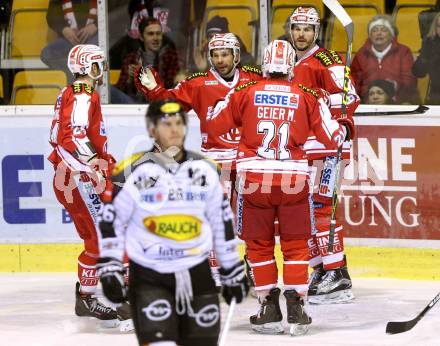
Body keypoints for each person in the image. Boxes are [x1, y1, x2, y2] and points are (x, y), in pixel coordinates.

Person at [206, 39, 352, 335]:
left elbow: (214, 126)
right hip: (293, 181)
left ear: (264, 64)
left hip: (253, 181)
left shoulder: (244, 92)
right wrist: (345, 123)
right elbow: (332, 139)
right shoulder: (306, 96)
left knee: (259, 246)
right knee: (296, 245)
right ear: (290, 68)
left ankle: (268, 309)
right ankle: (297, 307)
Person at [96, 98, 249, 346]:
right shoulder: (132, 171)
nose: (174, 129)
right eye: (167, 124)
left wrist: (231, 270)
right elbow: (111, 222)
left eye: (179, 123)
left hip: (197, 274)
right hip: (149, 276)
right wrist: (110, 267)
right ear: (152, 130)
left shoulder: (206, 169)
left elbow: (222, 223)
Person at [47, 44, 131, 327]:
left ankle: (87, 298)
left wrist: (104, 163)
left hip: (74, 177)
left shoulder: (71, 92)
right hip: (79, 179)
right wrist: (95, 162)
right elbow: (75, 135)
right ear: (89, 67)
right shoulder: (84, 94)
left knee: (100, 239)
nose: (103, 69)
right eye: (99, 64)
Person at [289, 7, 359, 304]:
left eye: (306, 29)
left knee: (321, 208)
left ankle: (338, 273)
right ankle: (320, 269)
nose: (301, 34)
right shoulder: (286, 60)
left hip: (327, 149)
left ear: (316, 31)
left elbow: (349, 97)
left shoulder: (327, 61)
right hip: (298, 150)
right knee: (303, 212)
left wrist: (340, 122)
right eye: (296, 28)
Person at [351, 14, 418, 104]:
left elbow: (409, 81)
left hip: (397, 103)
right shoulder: (361, 54)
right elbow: (353, 82)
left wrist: (393, 87)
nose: (379, 33)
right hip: (368, 104)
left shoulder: (403, 52)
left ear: (391, 34)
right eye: (374, 30)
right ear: (370, 35)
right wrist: (368, 93)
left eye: (383, 30)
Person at [115, 17, 180, 102]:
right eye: (150, 34)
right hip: (135, 105)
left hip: (162, 102)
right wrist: (129, 79)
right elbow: (121, 91)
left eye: (158, 34)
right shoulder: (132, 58)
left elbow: (172, 86)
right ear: (141, 37)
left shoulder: (170, 56)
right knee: (110, 91)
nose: (155, 38)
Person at [413, 12, 440, 104]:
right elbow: (419, 73)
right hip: (436, 96)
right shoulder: (430, 45)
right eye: (439, 26)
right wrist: (425, 50)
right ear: (435, 29)